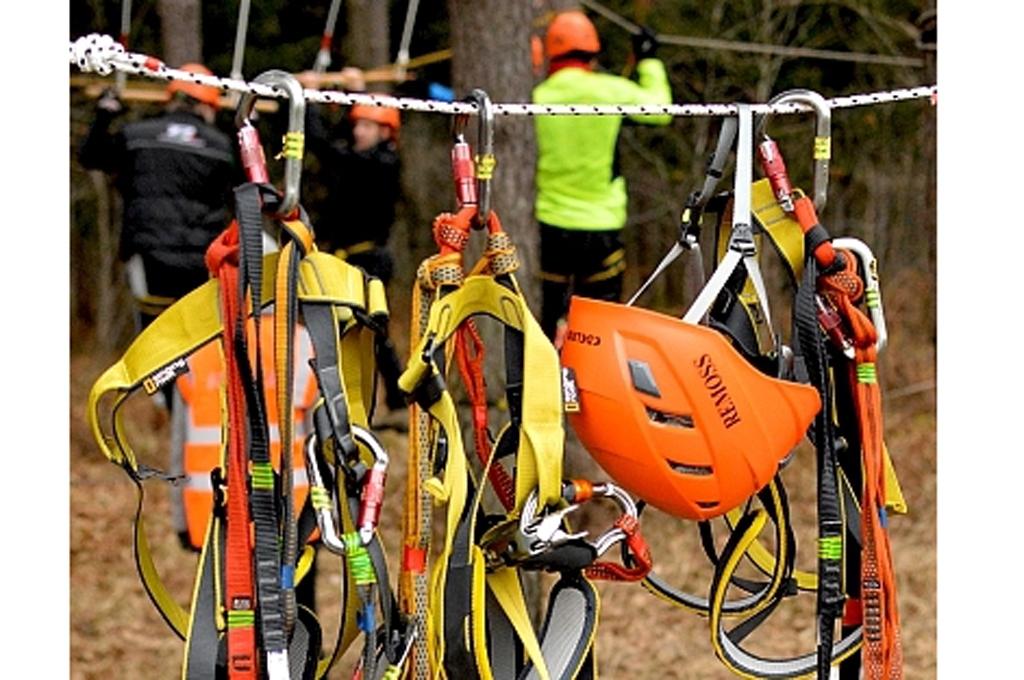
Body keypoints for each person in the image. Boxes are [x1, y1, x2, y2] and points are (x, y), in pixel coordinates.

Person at [532, 11, 673, 342]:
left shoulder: (538, 99)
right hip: (602, 227)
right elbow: (661, 110)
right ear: (593, 53)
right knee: (599, 325)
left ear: (551, 55)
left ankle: (540, 388)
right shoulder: (612, 91)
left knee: (547, 319)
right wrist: (648, 60)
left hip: (551, 226)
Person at [80, 62, 238, 331]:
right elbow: (250, 186)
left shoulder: (136, 136)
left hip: (148, 256)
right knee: (195, 335)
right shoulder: (221, 147)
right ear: (208, 106)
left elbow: (91, 156)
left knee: (152, 334)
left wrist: (105, 115)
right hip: (201, 261)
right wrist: (245, 128)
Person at [301, 69, 406, 413]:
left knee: (369, 329)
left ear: (385, 132)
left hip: (368, 260)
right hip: (352, 258)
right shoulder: (368, 157)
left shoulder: (381, 163)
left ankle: (393, 393)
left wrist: (311, 99)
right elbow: (339, 143)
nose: (357, 131)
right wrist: (355, 95)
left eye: (365, 126)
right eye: (357, 124)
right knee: (357, 330)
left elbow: (325, 148)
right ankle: (387, 394)